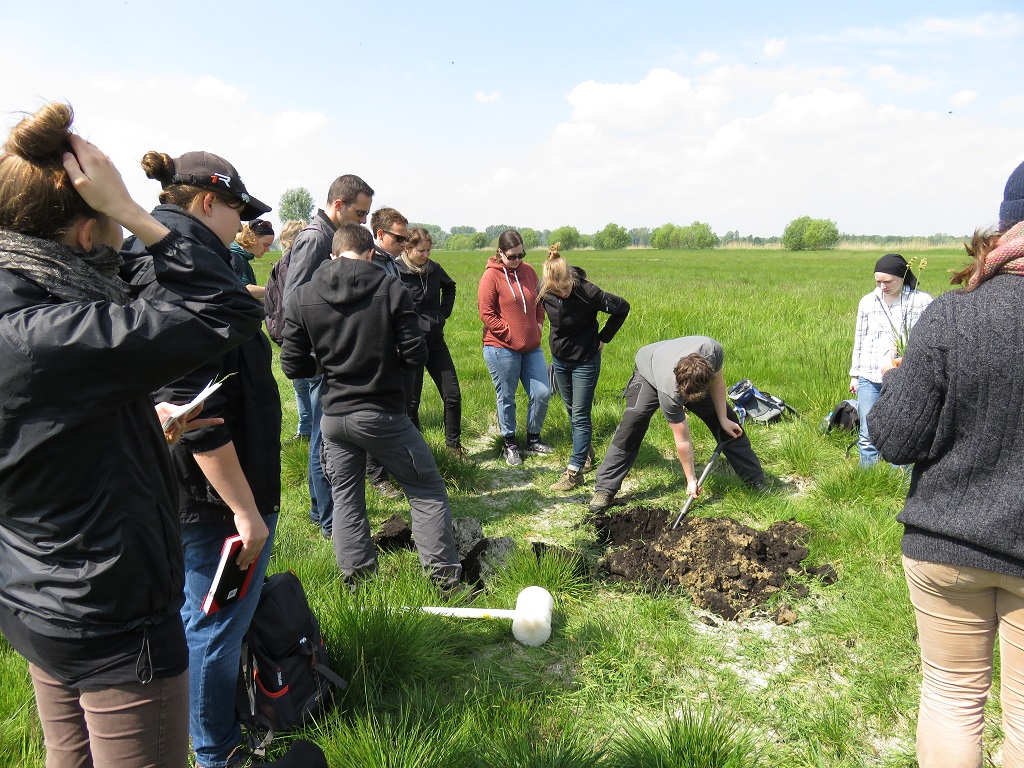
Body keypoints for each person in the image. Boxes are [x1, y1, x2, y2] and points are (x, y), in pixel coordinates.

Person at [0, 103, 263, 767]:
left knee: (70, 756)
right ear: (88, 232)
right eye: (116, 223)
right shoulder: (54, 334)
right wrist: (137, 213)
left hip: (34, 589)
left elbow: (36, 432)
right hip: (109, 606)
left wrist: (143, 428)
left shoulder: (23, 311)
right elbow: (226, 309)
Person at [120, 149, 281, 768]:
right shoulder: (183, 270)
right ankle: (216, 753)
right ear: (208, 202)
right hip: (214, 498)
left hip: (182, 486)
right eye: (237, 211)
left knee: (200, 618)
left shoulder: (161, 258)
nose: (241, 225)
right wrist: (245, 511)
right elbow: (194, 409)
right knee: (213, 626)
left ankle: (210, 732)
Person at [868, 160, 1024, 768]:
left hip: (946, 543)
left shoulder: (955, 314)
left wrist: (894, 384)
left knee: (952, 697)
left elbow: (895, 440)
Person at [280, 224, 462, 591]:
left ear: (333, 255)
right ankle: (445, 582)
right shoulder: (390, 287)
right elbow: (416, 354)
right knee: (426, 490)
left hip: (334, 418)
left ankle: (359, 585)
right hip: (383, 413)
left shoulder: (303, 295)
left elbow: (292, 365)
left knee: (346, 499)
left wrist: (327, 365)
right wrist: (384, 362)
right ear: (369, 253)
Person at [282, 174, 374, 537]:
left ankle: (320, 510)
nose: (363, 222)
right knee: (326, 442)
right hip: (320, 358)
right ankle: (331, 522)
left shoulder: (327, 236)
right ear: (338, 205)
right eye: (360, 213)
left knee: (326, 438)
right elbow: (294, 301)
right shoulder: (317, 239)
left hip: (324, 355)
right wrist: (316, 351)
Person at [588, 335, 766, 513]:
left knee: (730, 424)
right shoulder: (670, 391)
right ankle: (605, 489)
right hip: (649, 369)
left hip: (684, 369)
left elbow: (718, 383)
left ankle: (755, 480)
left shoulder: (713, 351)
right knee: (633, 422)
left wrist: (723, 419)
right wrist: (691, 479)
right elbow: (682, 440)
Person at [538, 244, 630, 491]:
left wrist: (604, 337)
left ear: (570, 278)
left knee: (579, 414)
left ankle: (574, 471)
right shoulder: (544, 291)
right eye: (557, 290)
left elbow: (623, 308)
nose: (563, 292)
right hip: (560, 360)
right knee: (571, 410)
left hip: (585, 360)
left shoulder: (588, 292)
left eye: (565, 287)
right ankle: (586, 452)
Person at [849, 253, 932, 467]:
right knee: (867, 433)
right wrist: (855, 375)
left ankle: (899, 481)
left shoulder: (921, 301)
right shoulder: (868, 301)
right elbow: (860, 338)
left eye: (888, 282)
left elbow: (929, 340)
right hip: (869, 376)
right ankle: (868, 478)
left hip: (904, 377)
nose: (883, 286)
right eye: (878, 281)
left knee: (901, 432)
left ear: (902, 277)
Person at [478, 229, 551, 465]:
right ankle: (509, 443)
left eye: (521, 254)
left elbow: (539, 300)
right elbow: (486, 314)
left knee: (542, 392)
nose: (517, 260)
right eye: (512, 256)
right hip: (501, 348)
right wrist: (509, 333)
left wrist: (538, 323)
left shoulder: (528, 271)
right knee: (507, 396)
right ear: (500, 252)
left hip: (531, 346)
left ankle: (533, 439)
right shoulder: (491, 276)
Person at [395, 227, 464, 456]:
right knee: (411, 403)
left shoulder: (434, 269)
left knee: (452, 394)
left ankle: (453, 448)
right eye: (421, 251)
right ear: (408, 248)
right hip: (411, 345)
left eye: (428, 250)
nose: (426, 255)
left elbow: (450, 286)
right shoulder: (396, 271)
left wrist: (442, 314)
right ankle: (417, 453)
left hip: (435, 341)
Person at [364, 207, 411, 497]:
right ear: (380, 235)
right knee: (376, 414)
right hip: (377, 350)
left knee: (393, 410)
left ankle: (391, 469)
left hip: (393, 348)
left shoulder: (390, 262)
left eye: (406, 239)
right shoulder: (371, 262)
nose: (405, 244)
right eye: (399, 238)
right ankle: (376, 476)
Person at [279, 219, 312, 443]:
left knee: (310, 383)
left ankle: (312, 430)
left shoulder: (304, 264)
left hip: (302, 331)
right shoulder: (283, 265)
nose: (287, 249)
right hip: (291, 331)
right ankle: (306, 429)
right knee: (301, 384)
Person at [229, 218, 275, 299]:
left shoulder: (242, 258)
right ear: (253, 239)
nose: (268, 250)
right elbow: (244, 289)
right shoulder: (235, 257)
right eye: (265, 245)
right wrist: (274, 291)